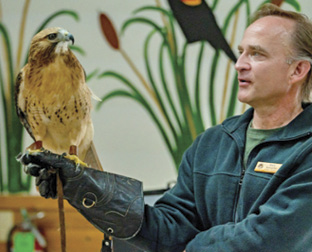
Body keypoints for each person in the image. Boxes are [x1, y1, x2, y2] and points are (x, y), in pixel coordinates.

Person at [18, 3, 312, 252]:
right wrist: (88, 187)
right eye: (241, 52)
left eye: (257, 54)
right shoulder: (211, 144)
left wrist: (189, 246)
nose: (239, 64)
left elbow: (264, 241)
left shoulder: (307, 150)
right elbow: (169, 228)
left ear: (298, 70)